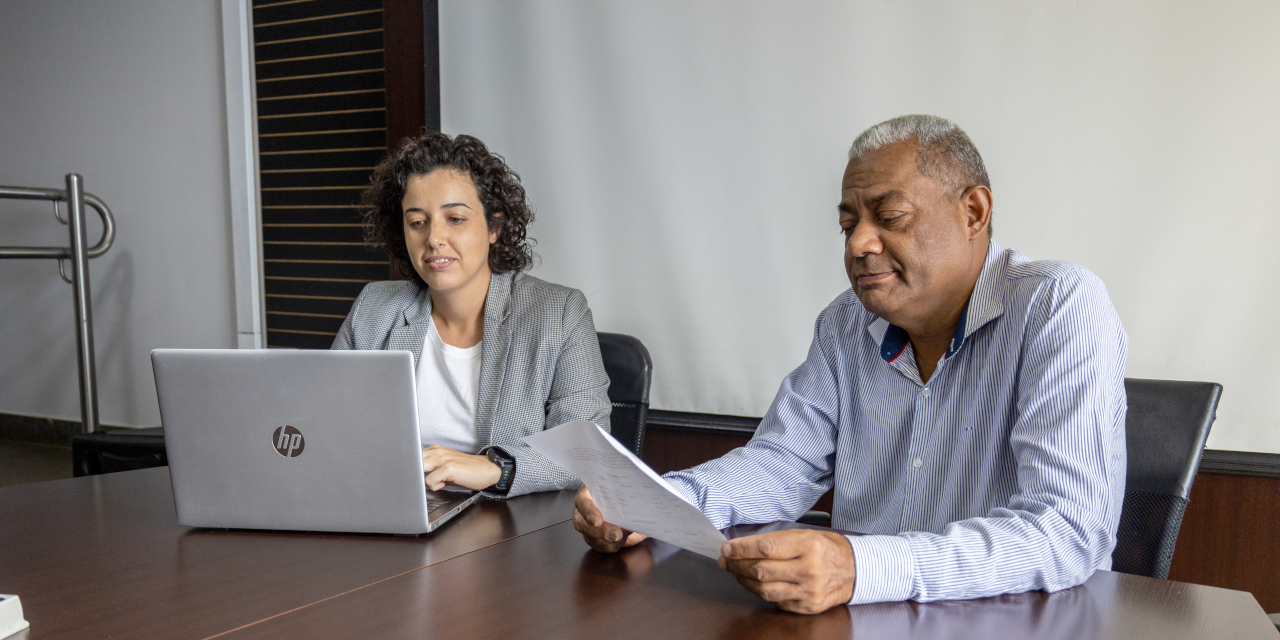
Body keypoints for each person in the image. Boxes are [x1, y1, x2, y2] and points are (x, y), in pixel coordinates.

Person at [573, 114, 1128, 614]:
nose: (860, 243)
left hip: (1004, 620)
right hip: (859, 620)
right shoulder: (845, 324)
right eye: (848, 225)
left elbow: (1065, 531)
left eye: (890, 216)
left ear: (974, 212)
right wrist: (654, 503)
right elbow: (780, 464)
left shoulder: (1059, 306)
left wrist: (861, 567)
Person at [333, 131, 612, 498]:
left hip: (508, 529)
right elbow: (328, 427)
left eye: (455, 219)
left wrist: (495, 468)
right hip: (392, 511)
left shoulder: (559, 313)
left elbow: (588, 451)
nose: (434, 238)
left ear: (495, 226)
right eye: (418, 222)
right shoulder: (374, 308)